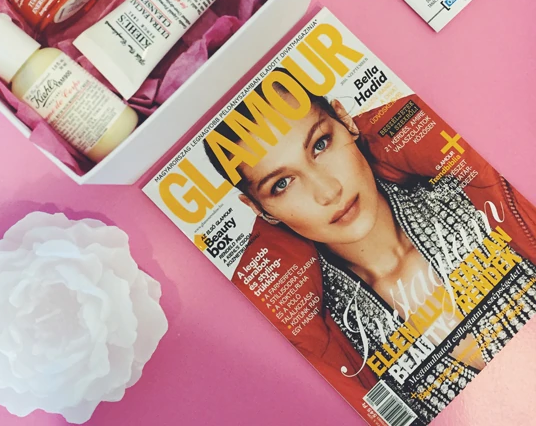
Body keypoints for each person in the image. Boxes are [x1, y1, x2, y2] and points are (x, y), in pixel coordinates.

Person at [203, 72, 536, 422]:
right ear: (260, 209)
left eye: (320, 144)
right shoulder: (331, 341)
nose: (328, 191)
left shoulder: (471, 189)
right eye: (282, 184)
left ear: (345, 121)